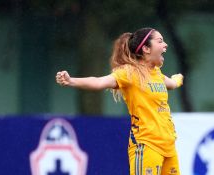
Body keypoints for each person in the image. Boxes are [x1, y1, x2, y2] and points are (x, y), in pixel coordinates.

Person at [55, 27, 183, 175]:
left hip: (169, 146)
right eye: (160, 41)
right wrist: (71, 81)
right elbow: (98, 82)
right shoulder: (129, 73)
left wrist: (178, 78)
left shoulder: (157, 74)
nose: (165, 45)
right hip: (147, 145)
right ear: (147, 48)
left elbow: (172, 84)